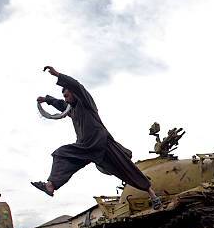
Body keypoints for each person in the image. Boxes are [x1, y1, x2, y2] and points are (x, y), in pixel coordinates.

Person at [31, 66, 162, 209]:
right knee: (61, 155)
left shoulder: (86, 103)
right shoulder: (72, 109)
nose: (66, 99)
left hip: (101, 143)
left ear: (74, 94)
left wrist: (58, 75)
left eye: (67, 95)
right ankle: (51, 186)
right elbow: (61, 104)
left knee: (126, 168)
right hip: (85, 147)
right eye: (64, 97)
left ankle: (153, 195)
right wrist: (47, 99)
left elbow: (77, 86)